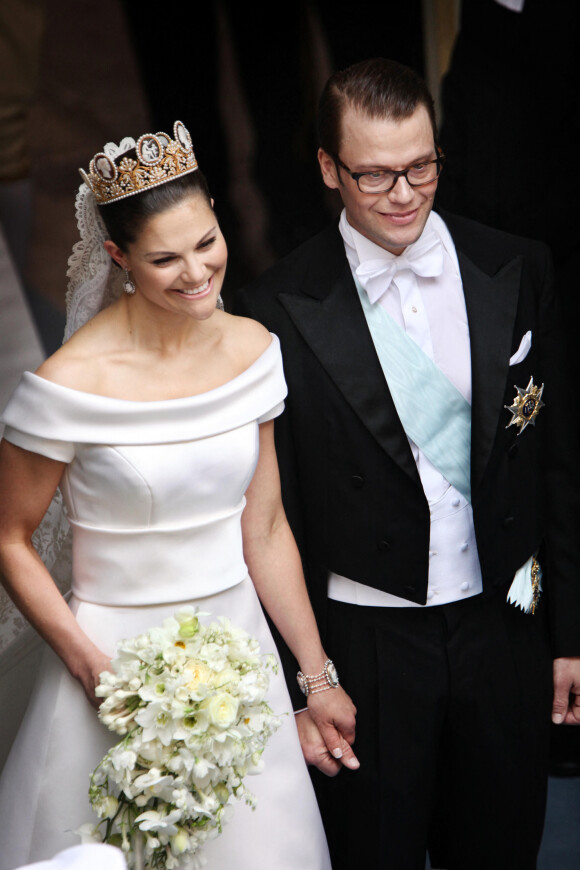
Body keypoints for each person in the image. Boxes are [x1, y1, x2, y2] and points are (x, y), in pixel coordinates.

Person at [235, 58, 580, 870]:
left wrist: (568, 636)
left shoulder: (517, 266)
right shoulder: (274, 307)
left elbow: (557, 466)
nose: (404, 193)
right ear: (327, 168)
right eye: (375, 174)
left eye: (421, 166)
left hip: (507, 619)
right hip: (367, 642)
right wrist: (304, 681)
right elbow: (271, 517)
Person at [0, 120, 358, 869]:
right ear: (117, 258)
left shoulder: (255, 350)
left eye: (207, 242)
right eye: (165, 259)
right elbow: (10, 537)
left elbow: (264, 529)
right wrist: (92, 667)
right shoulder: (68, 385)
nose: (198, 272)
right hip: (111, 663)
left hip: (240, 656)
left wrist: (315, 676)